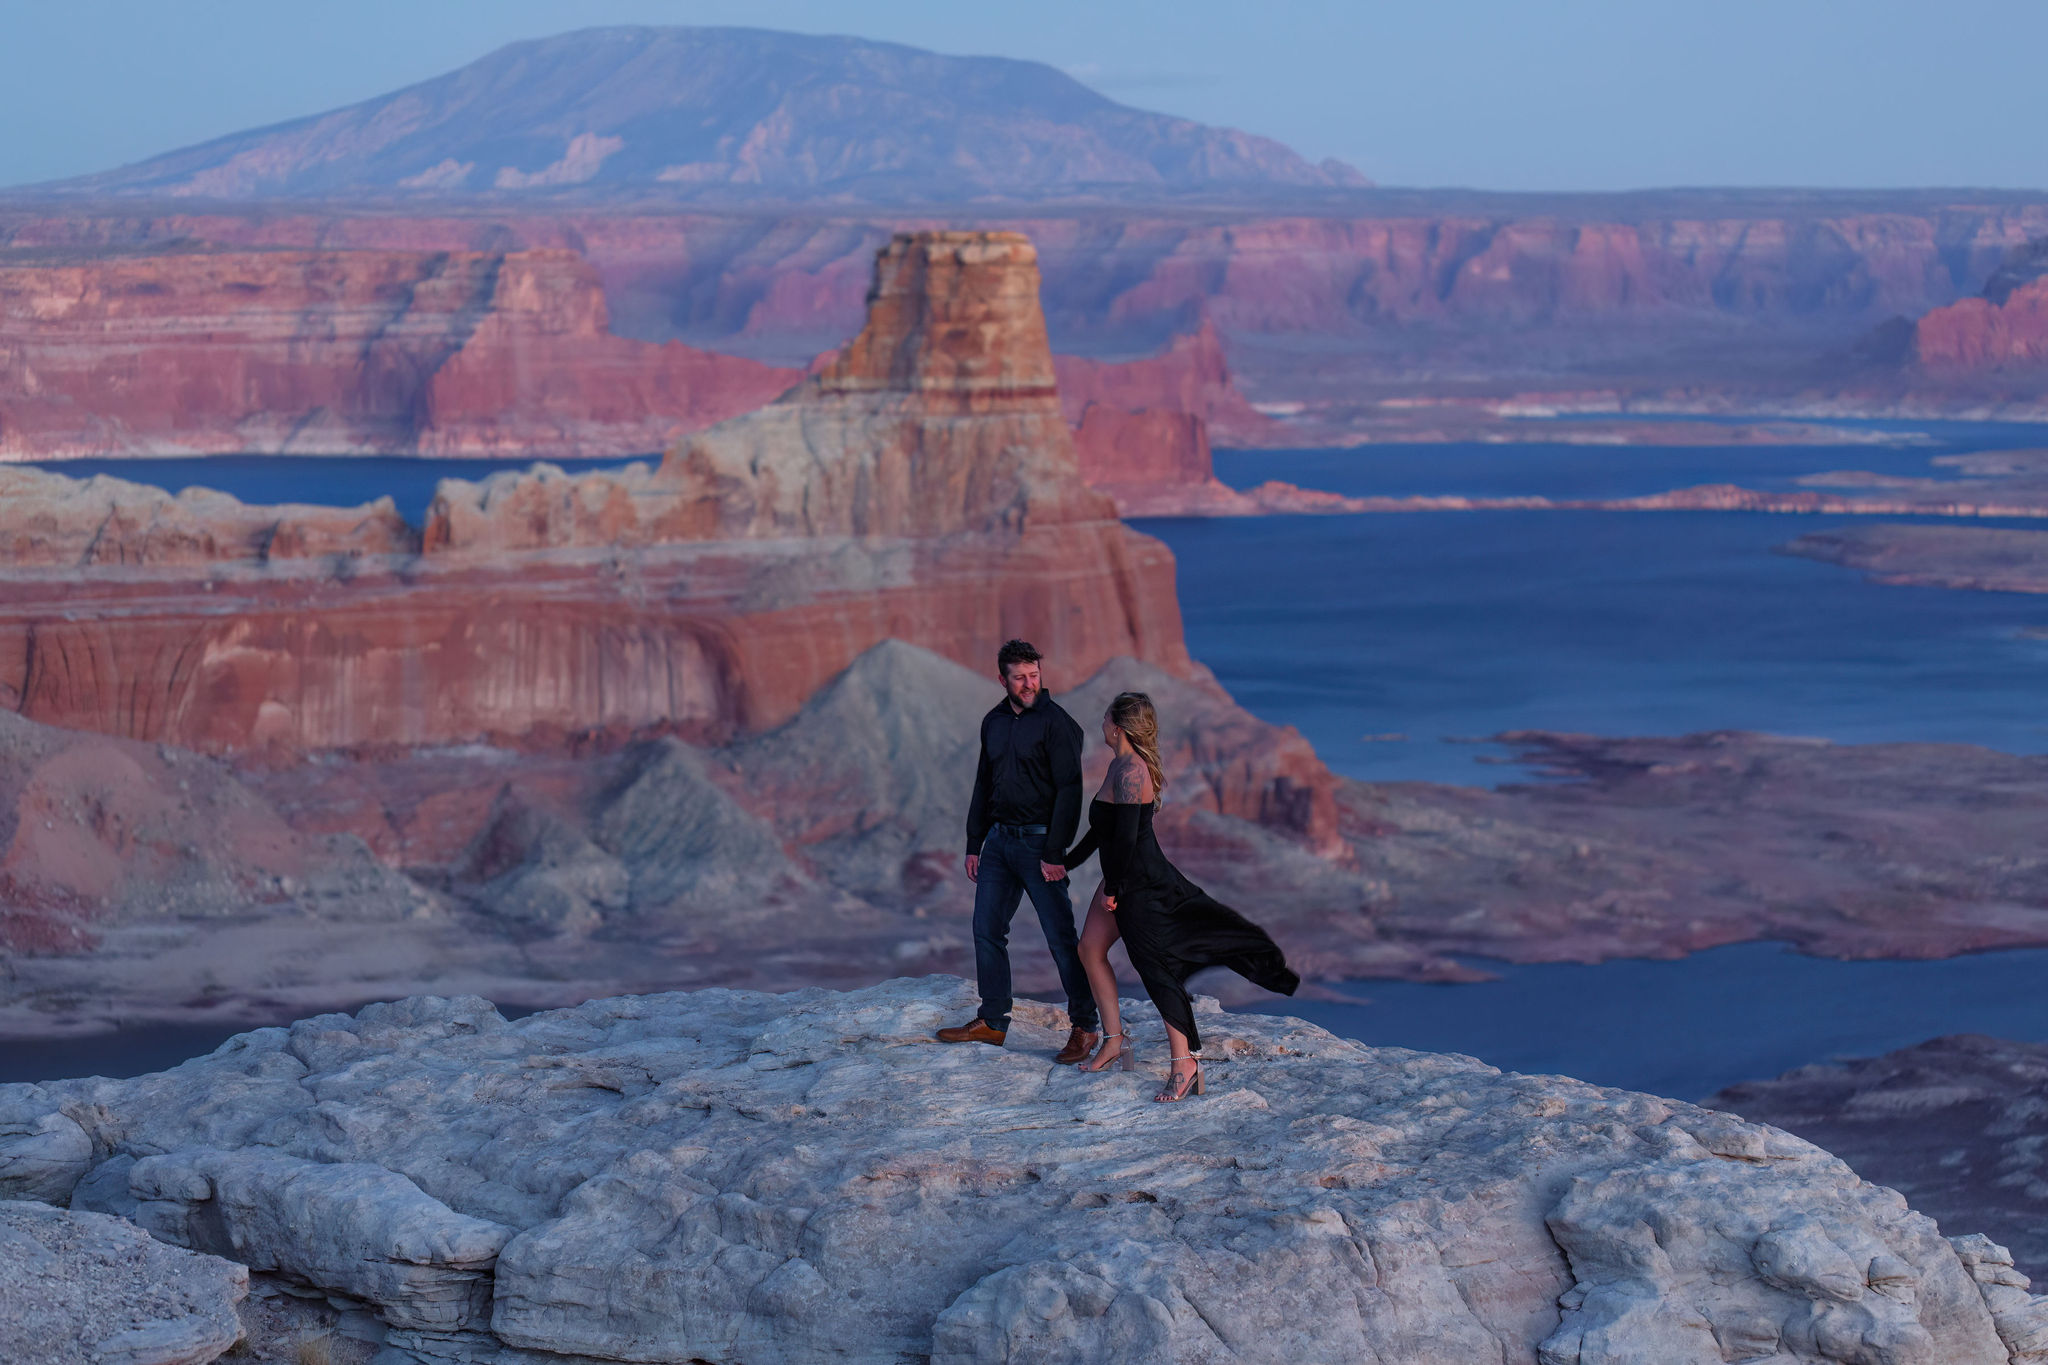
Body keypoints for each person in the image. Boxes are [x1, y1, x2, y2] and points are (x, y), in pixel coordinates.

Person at [1065, 691, 1300, 1102]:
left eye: (1105, 717)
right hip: (1121, 877)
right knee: (1089, 949)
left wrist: (1116, 890)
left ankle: (1185, 1063)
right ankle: (1114, 1040)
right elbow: (1103, 831)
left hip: (1140, 885)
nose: (1100, 723)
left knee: (1156, 966)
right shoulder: (1118, 765)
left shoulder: (1133, 771)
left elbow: (1124, 839)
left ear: (1117, 726)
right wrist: (1065, 863)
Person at [936, 639, 1102, 1063]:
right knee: (986, 931)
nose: (1028, 684)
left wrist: (1054, 851)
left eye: (1034, 676)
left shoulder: (1057, 724)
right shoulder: (993, 721)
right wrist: (975, 843)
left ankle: (1084, 1027)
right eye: (1019, 678)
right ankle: (993, 1022)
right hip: (998, 845)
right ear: (1003, 679)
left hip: (1039, 845)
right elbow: (982, 784)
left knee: (1061, 939)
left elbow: (1070, 791)